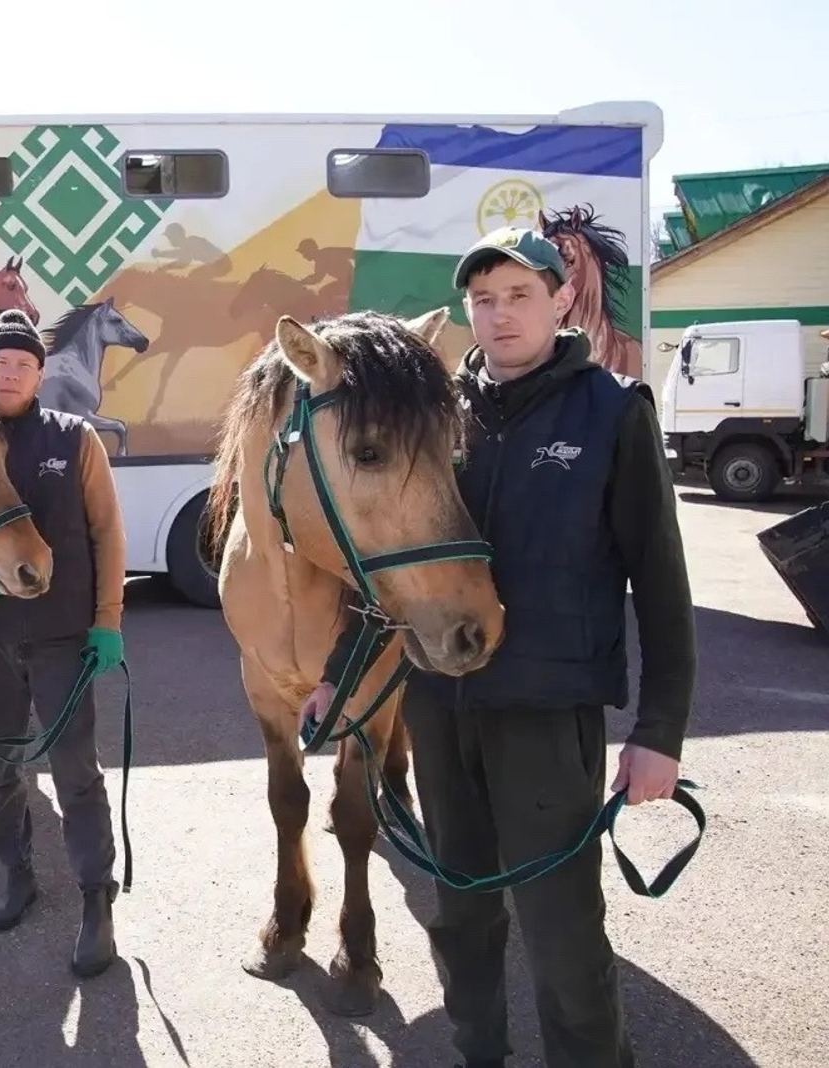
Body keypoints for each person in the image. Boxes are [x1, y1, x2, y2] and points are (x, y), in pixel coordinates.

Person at [304, 227, 697, 1068]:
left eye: (520, 294)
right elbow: (389, 561)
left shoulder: (611, 411)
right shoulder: (435, 409)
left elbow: (662, 586)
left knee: (559, 930)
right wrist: (338, 681)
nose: (500, 314)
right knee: (459, 915)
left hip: (547, 712)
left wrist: (660, 731)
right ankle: (479, 1053)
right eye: (484, 299)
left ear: (561, 301)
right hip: (440, 705)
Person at [0, 308, 129, 978]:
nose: (10, 373)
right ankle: (17, 874)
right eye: (0, 362)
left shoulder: (73, 437)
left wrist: (108, 620)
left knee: (76, 772)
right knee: (0, 767)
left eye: (23, 364)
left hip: (63, 636)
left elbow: (109, 534)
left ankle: (96, 898)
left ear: (40, 373)